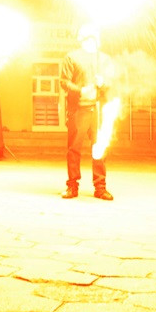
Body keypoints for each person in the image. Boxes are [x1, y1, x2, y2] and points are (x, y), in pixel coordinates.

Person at [60, 25, 113, 201]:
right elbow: (64, 82)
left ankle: (100, 187)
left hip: (98, 109)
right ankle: (72, 186)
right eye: (88, 37)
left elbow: (111, 84)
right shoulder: (72, 57)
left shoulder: (104, 59)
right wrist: (80, 90)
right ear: (82, 38)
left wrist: (103, 82)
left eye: (94, 37)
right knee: (74, 149)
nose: (92, 40)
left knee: (100, 148)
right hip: (79, 109)